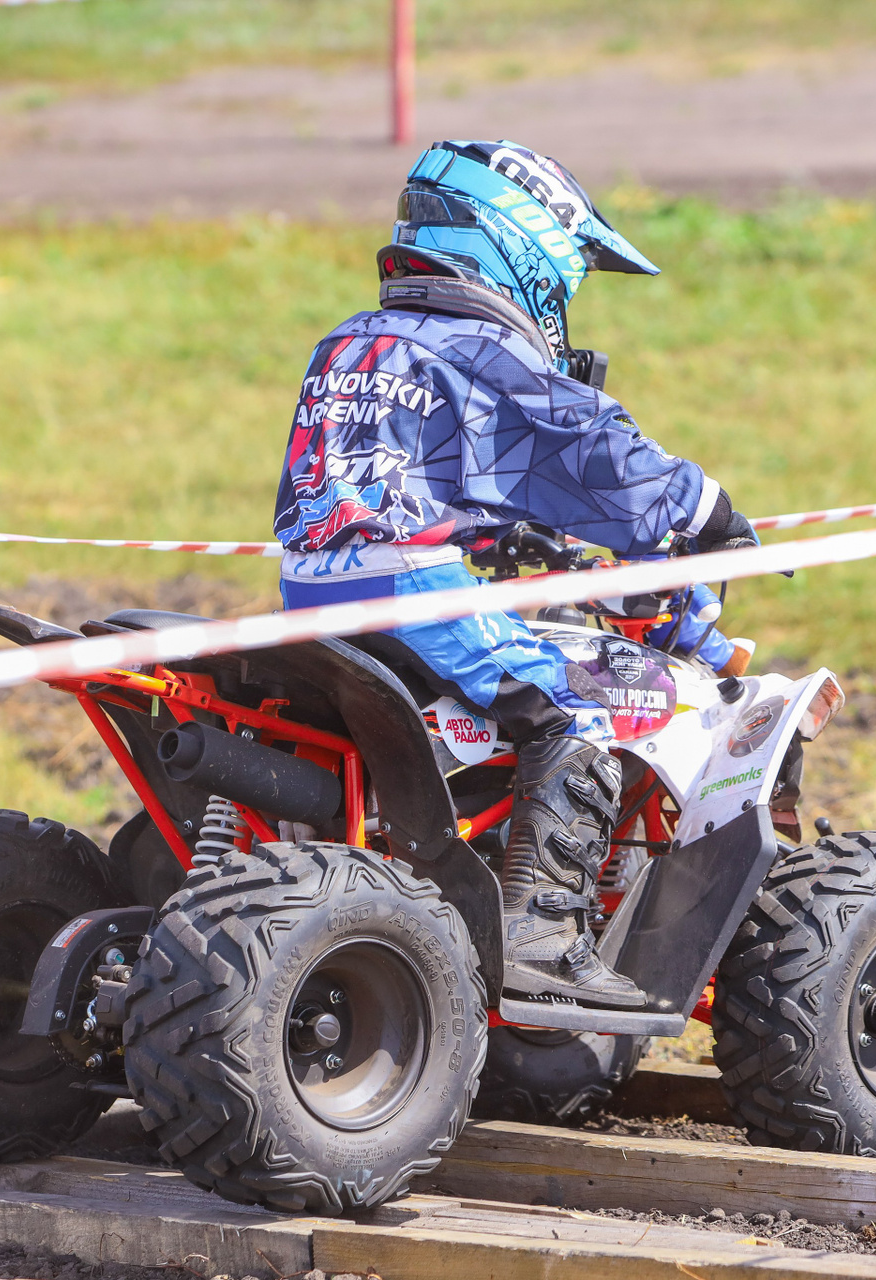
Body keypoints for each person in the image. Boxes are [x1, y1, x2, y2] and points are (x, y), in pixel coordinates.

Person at [273, 140, 757, 1009]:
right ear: (525, 246)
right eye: (570, 275)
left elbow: (423, 471)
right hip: (415, 588)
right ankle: (540, 934)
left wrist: (506, 532)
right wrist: (707, 511)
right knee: (582, 706)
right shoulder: (482, 349)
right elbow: (596, 450)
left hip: (310, 588)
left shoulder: (349, 342)